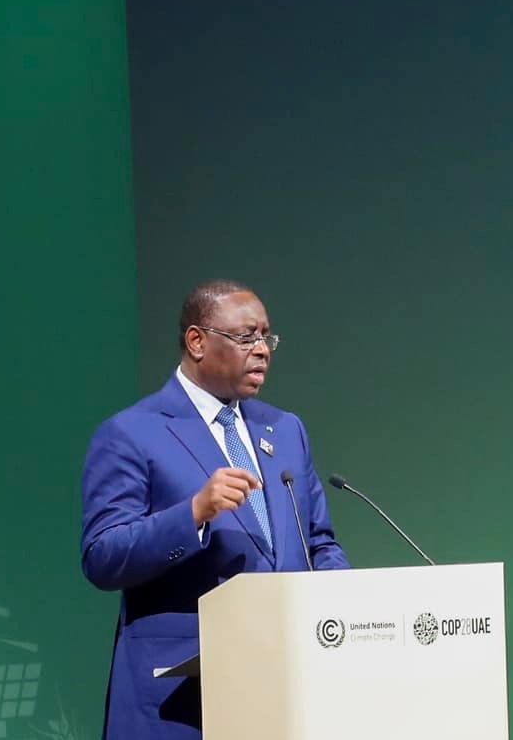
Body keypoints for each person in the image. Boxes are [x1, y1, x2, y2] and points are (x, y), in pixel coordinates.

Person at [81, 280, 349, 740]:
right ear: (197, 341)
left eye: (266, 337)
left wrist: (346, 602)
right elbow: (102, 557)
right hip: (181, 697)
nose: (262, 350)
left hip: (282, 687)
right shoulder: (131, 433)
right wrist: (193, 514)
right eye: (246, 337)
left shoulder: (286, 430)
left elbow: (318, 543)